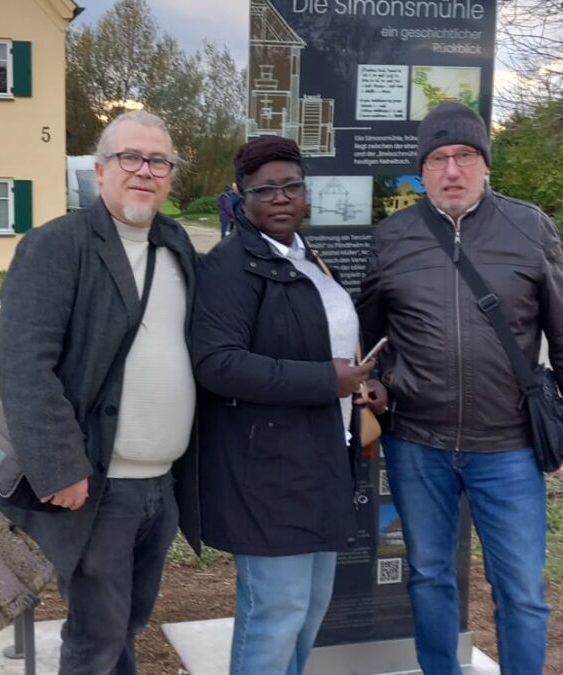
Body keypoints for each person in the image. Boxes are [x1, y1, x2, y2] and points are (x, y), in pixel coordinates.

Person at [356, 102, 563, 675]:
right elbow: (365, 340)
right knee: (429, 575)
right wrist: (376, 386)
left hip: (509, 446)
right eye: (438, 159)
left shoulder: (529, 227)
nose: (451, 170)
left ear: (485, 164)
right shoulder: (393, 237)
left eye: (464, 155)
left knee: (520, 589)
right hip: (417, 443)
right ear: (422, 170)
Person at [0, 110, 200, 675]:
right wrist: (60, 468)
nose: (145, 171)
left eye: (159, 161)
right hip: (98, 488)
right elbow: (23, 366)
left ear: (170, 176)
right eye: (131, 158)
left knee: (126, 625)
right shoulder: (56, 247)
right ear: (101, 170)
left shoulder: (176, 246)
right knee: (96, 638)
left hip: (161, 485)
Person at [191, 135, 380, 675]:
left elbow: (331, 343)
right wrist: (327, 380)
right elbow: (217, 364)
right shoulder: (229, 266)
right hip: (264, 472)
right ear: (241, 196)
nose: (281, 197)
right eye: (265, 188)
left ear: (305, 193)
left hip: (321, 458)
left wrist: (361, 382)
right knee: (275, 612)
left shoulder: (307, 257)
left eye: (291, 185)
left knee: (309, 609)